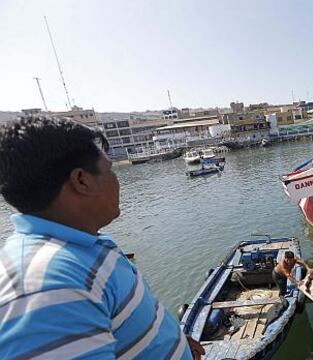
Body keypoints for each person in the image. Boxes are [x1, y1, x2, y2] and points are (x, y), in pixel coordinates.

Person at [0, 117, 204, 359]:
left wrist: (171, 338)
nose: (118, 182)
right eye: (111, 170)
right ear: (82, 181)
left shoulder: (82, 245)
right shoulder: (43, 288)